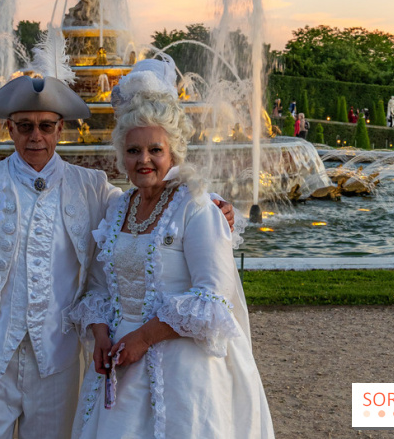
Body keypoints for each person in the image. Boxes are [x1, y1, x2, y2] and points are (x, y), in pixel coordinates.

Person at [0, 58, 235, 439]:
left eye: (45, 126)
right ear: (9, 128)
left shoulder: (90, 186)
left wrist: (213, 201)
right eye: (24, 126)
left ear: (61, 129)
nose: (35, 137)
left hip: (55, 361)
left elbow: (153, 194)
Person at [68, 64, 273, 439]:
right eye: (133, 150)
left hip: (180, 367)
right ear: (121, 155)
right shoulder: (117, 209)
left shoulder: (197, 208)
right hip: (119, 360)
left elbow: (213, 300)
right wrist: (99, 335)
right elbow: (99, 287)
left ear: (174, 151)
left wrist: (144, 338)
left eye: (154, 150)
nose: (143, 159)